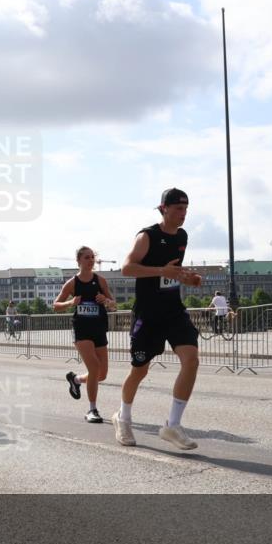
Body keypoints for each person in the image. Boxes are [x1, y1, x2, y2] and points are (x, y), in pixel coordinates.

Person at [115, 187, 203, 450]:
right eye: (178, 208)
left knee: (191, 359)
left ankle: (172, 425)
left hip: (173, 310)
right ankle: (123, 417)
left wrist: (189, 278)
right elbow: (127, 268)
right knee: (139, 370)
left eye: (186, 209)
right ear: (163, 208)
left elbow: (173, 273)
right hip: (148, 313)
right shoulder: (147, 236)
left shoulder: (182, 236)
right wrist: (161, 270)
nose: (183, 214)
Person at [56, 247, 116, 423]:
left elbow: (114, 305)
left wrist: (106, 300)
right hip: (82, 329)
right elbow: (56, 305)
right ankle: (92, 410)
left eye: (93, 257)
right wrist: (71, 302)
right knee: (95, 367)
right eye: (87, 257)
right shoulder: (72, 283)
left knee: (102, 374)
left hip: (99, 328)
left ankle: (75, 379)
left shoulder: (101, 281)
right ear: (79, 261)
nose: (91, 260)